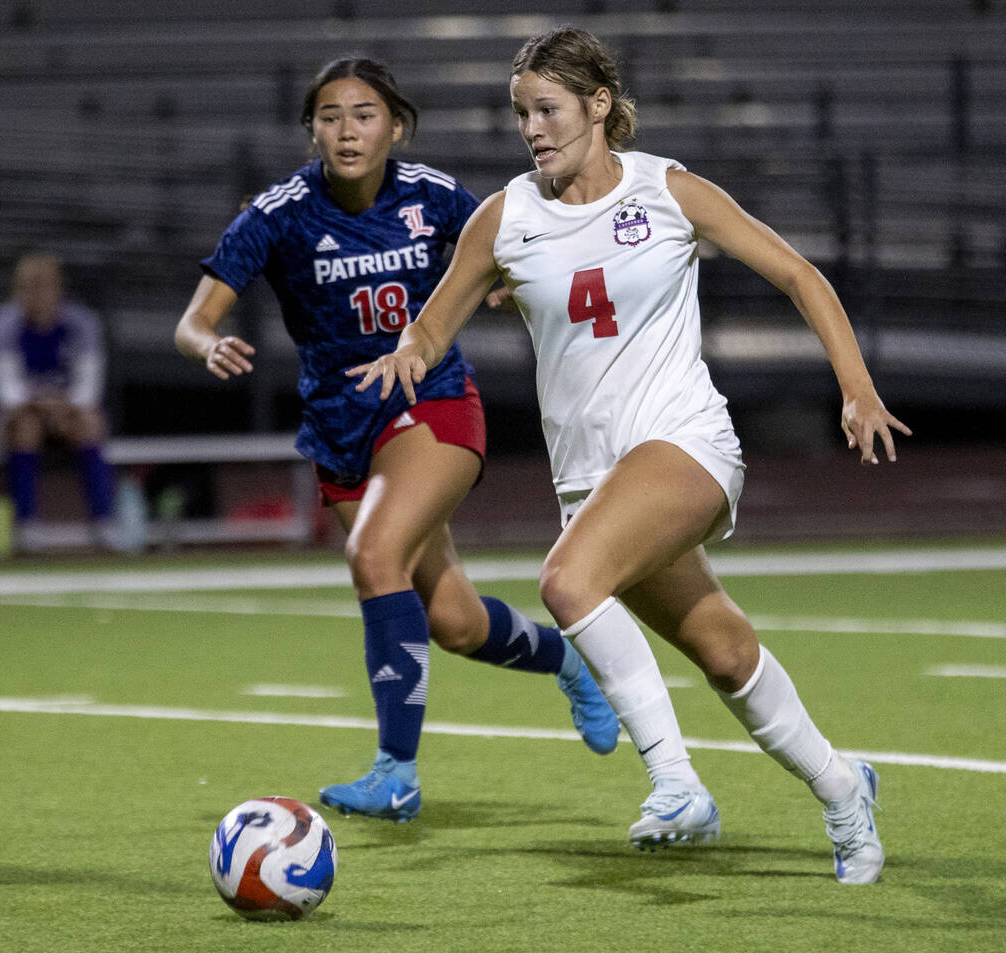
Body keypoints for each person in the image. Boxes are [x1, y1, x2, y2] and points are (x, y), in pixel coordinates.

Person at [351, 27, 911, 883]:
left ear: (600, 105)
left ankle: (678, 782)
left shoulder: (668, 188)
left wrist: (856, 385)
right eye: (520, 114)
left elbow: (800, 274)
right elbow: (432, 324)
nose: (532, 128)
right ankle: (845, 792)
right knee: (726, 653)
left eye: (547, 109)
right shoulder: (505, 217)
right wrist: (409, 353)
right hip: (591, 484)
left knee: (567, 582)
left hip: (684, 442)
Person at [175, 56, 619, 822]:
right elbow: (193, 320)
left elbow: (513, 255)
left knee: (374, 556)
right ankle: (569, 659)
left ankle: (397, 773)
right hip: (340, 429)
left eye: (364, 114)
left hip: (432, 400)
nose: (347, 130)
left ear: (397, 127)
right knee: (455, 622)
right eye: (331, 115)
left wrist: (524, 289)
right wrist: (205, 345)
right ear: (311, 129)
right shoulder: (278, 212)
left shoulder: (435, 195)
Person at [0, 252, 115, 553]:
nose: (35, 293)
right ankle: (27, 526)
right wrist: (42, 404)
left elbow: (89, 386)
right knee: (25, 426)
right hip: (23, 415)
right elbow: (6, 390)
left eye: (42, 285)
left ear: (58, 288)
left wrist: (63, 406)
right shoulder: (6, 325)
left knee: (89, 422)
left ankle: (104, 523)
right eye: (27, 286)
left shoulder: (81, 324)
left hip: (69, 414)